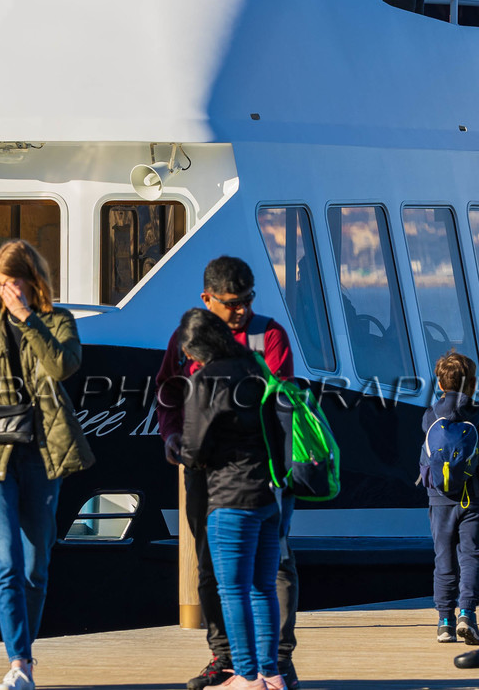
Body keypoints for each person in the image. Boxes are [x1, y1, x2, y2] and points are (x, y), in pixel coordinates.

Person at [155, 257, 301, 690]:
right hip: (208, 476)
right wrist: (170, 435)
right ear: (207, 298)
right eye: (232, 303)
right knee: (210, 565)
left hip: (262, 473)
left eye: (248, 300)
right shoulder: (187, 339)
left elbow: (282, 406)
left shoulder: (269, 335)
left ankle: (274, 660)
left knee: (273, 569)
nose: (241, 310)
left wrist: (191, 444)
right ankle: (225, 657)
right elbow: (166, 392)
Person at [0, 239, 94, 690]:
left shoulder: (59, 321)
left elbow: (64, 367)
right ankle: (19, 660)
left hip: (41, 452)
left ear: (31, 280)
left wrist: (26, 318)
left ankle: (26, 659)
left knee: (36, 564)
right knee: (4, 561)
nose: (5, 291)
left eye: (12, 282)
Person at [177, 308, 286, 690]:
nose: (188, 359)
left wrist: (181, 450)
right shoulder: (257, 368)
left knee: (233, 589)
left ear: (198, 348)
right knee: (262, 587)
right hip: (269, 497)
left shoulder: (206, 380)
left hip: (229, 497)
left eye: (189, 352)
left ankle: (245, 675)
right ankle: (272, 674)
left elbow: (193, 448)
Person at [421, 351, 479, 646]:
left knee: (443, 559)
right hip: (474, 500)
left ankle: (444, 621)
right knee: (471, 558)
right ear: (473, 383)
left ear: (440, 383)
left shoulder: (430, 416)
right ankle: (467, 615)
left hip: (439, 500)